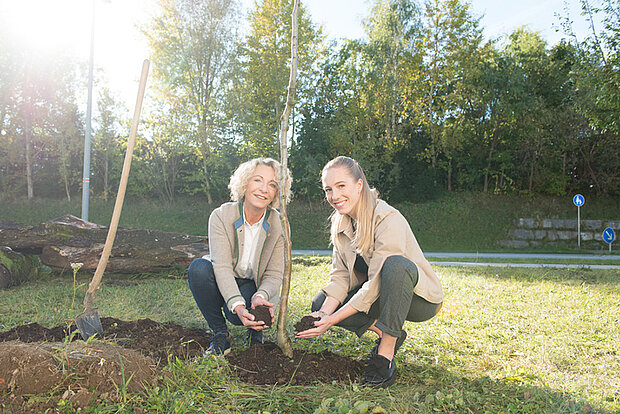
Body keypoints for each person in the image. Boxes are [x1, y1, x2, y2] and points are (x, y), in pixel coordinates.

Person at [295, 156, 443, 388]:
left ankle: (386, 352)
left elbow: (376, 282)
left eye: (341, 186)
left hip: (418, 300)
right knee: (321, 302)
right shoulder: (341, 222)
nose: (334, 196)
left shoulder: (386, 217)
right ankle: (389, 332)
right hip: (381, 296)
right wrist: (324, 314)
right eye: (328, 190)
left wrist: (333, 319)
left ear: (359, 185)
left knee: (395, 265)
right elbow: (341, 276)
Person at [188, 158, 291, 355]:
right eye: (257, 180)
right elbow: (222, 267)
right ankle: (220, 333)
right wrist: (237, 304)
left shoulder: (279, 224)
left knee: (237, 315)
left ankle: (255, 333)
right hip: (222, 280)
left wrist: (261, 296)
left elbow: (275, 273)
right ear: (244, 183)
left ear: (278, 192)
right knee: (198, 269)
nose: (264, 189)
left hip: (253, 284)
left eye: (272, 185)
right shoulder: (221, 216)